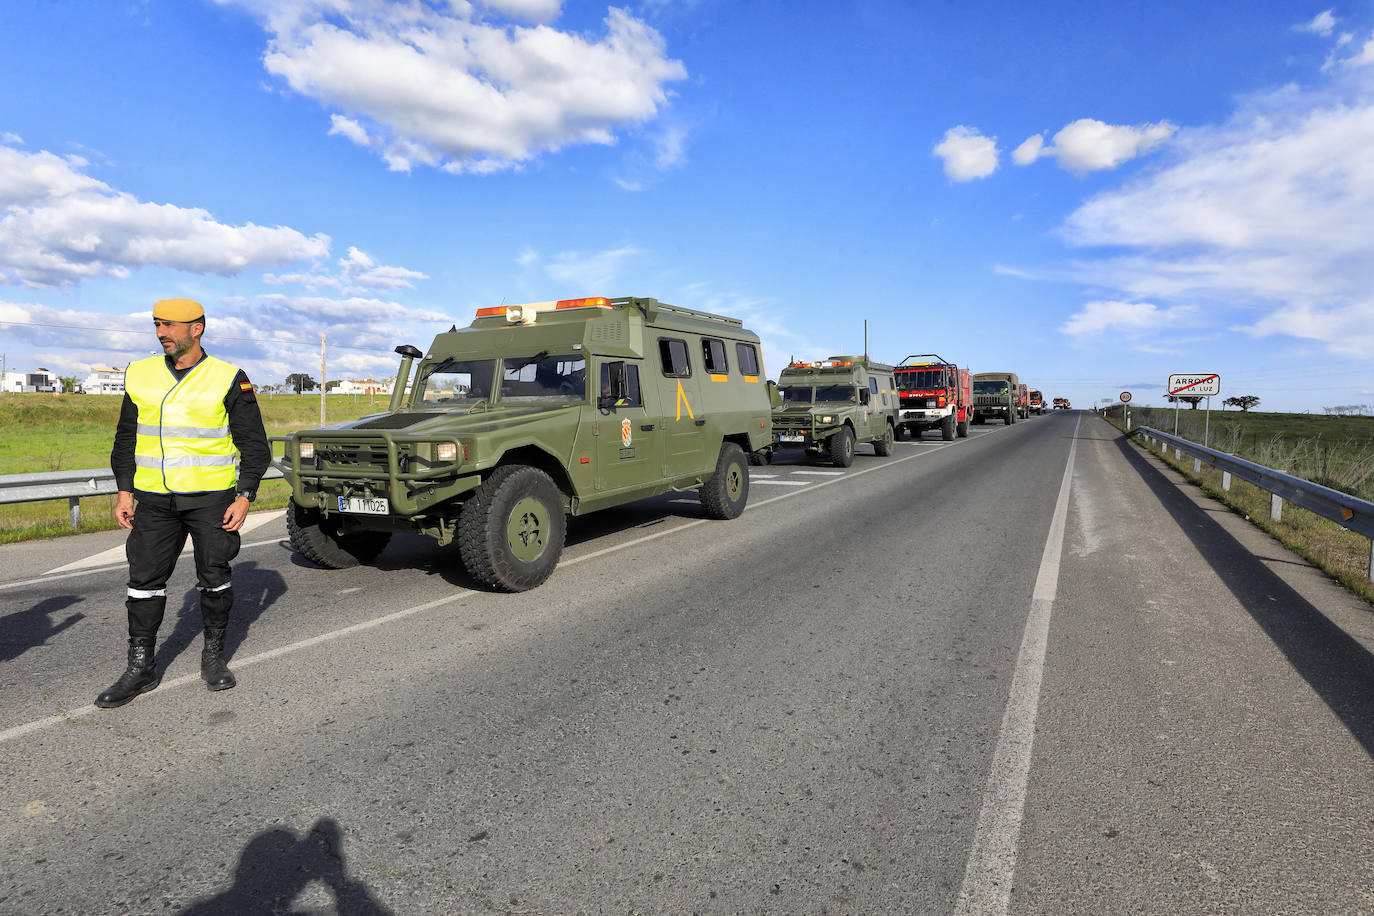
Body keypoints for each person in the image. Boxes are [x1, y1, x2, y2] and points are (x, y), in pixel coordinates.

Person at [96, 298, 270, 708]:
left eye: (170, 325)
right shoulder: (140, 373)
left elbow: (255, 446)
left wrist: (245, 496)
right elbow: (126, 437)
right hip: (154, 500)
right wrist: (124, 490)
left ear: (197, 328)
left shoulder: (228, 377)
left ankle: (213, 657)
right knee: (143, 583)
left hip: (211, 500)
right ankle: (141, 667)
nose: (161, 333)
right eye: (157, 324)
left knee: (214, 577)